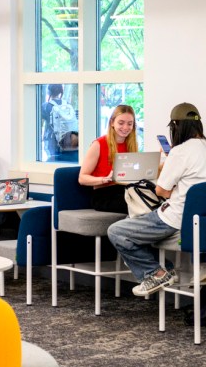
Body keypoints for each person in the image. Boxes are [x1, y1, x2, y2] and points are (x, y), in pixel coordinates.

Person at [108, 102, 206, 297]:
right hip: (199, 222)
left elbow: (161, 191)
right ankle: (169, 269)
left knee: (117, 231)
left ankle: (157, 273)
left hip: (174, 219)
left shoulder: (180, 151)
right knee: (135, 225)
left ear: (176, 127)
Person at [78, 105, 138, 214]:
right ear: (112, 123)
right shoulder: (98, 144)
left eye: (130, 124)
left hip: (125, 190)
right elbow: (82, 178)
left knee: (153, 200)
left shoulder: (132, 146)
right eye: (121, 123)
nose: (125, 127)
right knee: (138, 205)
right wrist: (104, 179)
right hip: (103, 194)